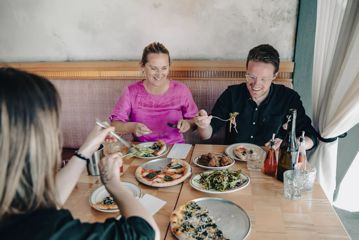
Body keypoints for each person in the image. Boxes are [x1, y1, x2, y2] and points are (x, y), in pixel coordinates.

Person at [0, 68, 160, 240]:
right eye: (53, 126)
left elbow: (46, 201)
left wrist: (86, 149)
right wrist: (114, 184)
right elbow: (147, 234)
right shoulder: (47, 229)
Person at [195, 44, 317, 150]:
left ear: (275, 76)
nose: (256, 85)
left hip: (270, 163)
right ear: (246, 70)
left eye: (264, 79)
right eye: (251, 77)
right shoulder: (232, 94)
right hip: (233, 164)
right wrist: (203, 126)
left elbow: (311, 136)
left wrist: (292, 144)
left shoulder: (289, 98)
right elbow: (207, 134)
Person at [109, 42, 198, 144]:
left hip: (175, 149)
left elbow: (195, 122)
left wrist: (188, 124)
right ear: (142, 67)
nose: (159, 74)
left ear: (169, 67)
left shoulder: (181, 90)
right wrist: (131, 127)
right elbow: (114, 126)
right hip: (142, 150)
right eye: (153, 68)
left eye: (164, 68)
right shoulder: (131, 91)